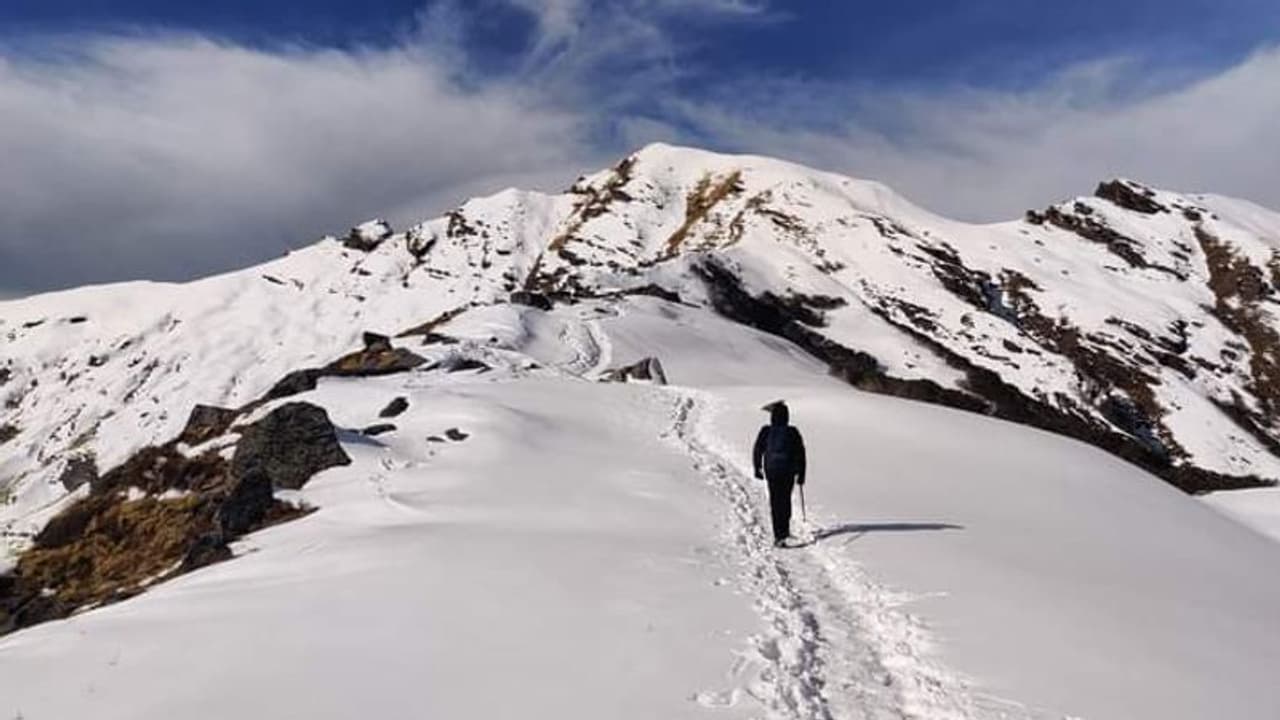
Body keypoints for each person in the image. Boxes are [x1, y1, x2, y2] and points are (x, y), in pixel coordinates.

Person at [752, 400, 806, 547]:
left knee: (775, 502)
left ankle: (779, 536)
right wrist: (801, 475)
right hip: (788, 471)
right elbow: (801, 454)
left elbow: (758, 449)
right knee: (785, 500)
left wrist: (757, 468)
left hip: (772, 471)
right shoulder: (792, 432)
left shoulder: (766, 431)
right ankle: (785, 530)